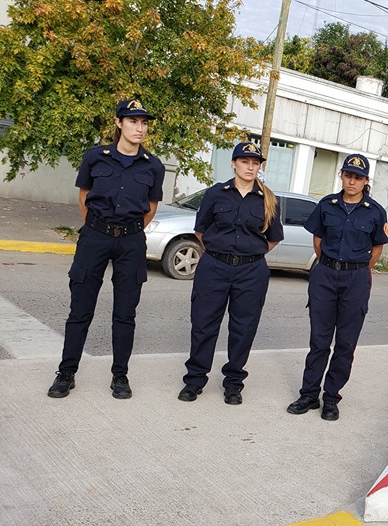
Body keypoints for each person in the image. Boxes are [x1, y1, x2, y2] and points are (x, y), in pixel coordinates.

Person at [47, 99, 166, 399]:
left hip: (131, 241)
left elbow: (150, 208)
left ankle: (120, 376)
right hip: (95, 237)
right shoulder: (95, 157)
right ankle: (66, 372)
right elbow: (84, 198)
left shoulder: (153, 166)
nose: (140, 128)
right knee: (80, 310)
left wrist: (126, 231)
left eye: (144, 122)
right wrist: (97, 230)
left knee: (125, 313)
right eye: (133, 121)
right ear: (118, 123)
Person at [178, 142, 284, 405]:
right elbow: (201, 231)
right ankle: (194, 380)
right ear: (234, 163)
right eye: (245, 161)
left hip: (251, 270)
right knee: (203, 324)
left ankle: (234, 383)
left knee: (243, 327)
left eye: (255, 163)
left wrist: (248, 255)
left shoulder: (269, 199)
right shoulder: (216, 194)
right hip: (214, 266)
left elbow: (272, 239)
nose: (250, 167)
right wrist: (221, 253)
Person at [287, 153, 388, 421]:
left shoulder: (376, 212)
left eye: (358, 177)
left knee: (345, 344)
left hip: (355, 279)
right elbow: (317, 240)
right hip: (325, 276)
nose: (351, 181)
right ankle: (309, 394)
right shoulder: (326, 205)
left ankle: (331, 398)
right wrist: (328, 265)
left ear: (366, 181)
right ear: (341, 176)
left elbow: (377, 248)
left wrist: (359, 269)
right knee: (319, 341)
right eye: (348, 175)